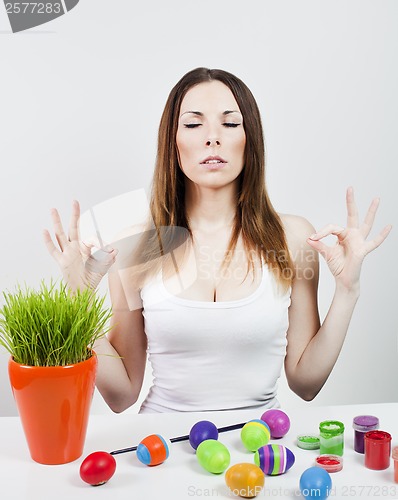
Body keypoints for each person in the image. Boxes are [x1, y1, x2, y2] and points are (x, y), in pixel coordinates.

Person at [43, 67, 391, 414]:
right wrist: (78, 298)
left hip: (261, 451)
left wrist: (348, 290)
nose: (212, 137)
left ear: (249, 138)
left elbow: (306, 382)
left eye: (230, 123)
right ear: (173, 143)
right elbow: (121, 395)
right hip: (160, 450)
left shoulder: (293, 238)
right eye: (194, 124)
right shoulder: (134, 247)